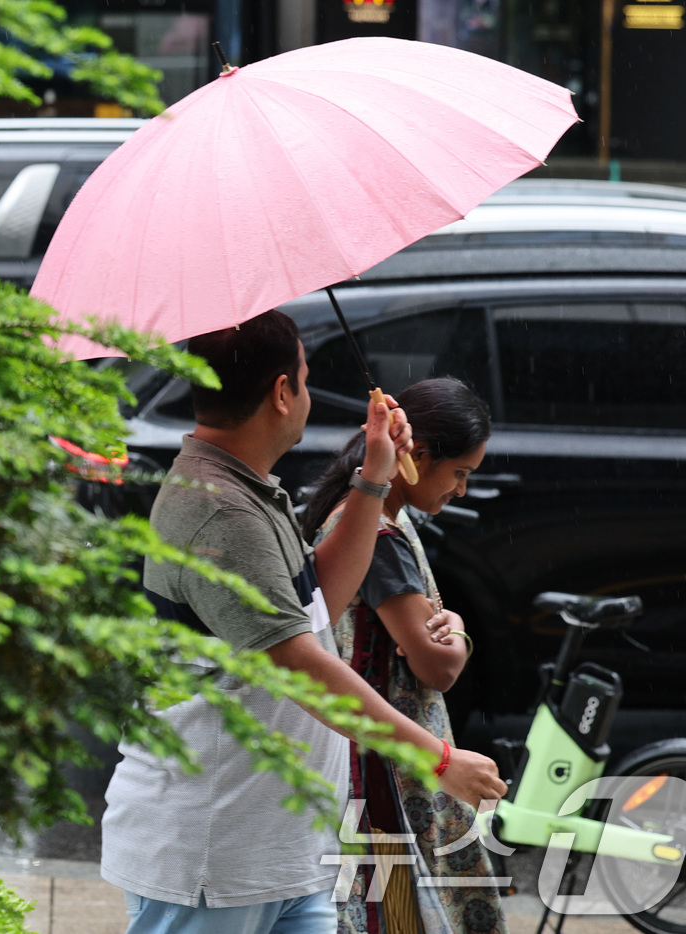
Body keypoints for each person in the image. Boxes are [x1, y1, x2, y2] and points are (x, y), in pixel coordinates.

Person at [101, 313, 508, 934]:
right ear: (282, 392)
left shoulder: (244, 490)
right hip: (213, 858)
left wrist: (374, 475)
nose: (311, 398)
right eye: (308, 380)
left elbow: (319, 601)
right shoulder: (216, 512)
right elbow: (300, 664)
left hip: (276, 852)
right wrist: (439, 758)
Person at [301, 377, 505, 934]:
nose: (461, 489)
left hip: (377, 756)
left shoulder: (366, 515)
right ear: (415, 457)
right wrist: (460, 633)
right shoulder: (380, 535)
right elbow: (435, 665)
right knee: (396, 914)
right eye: (460, 473)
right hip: (388, 768)